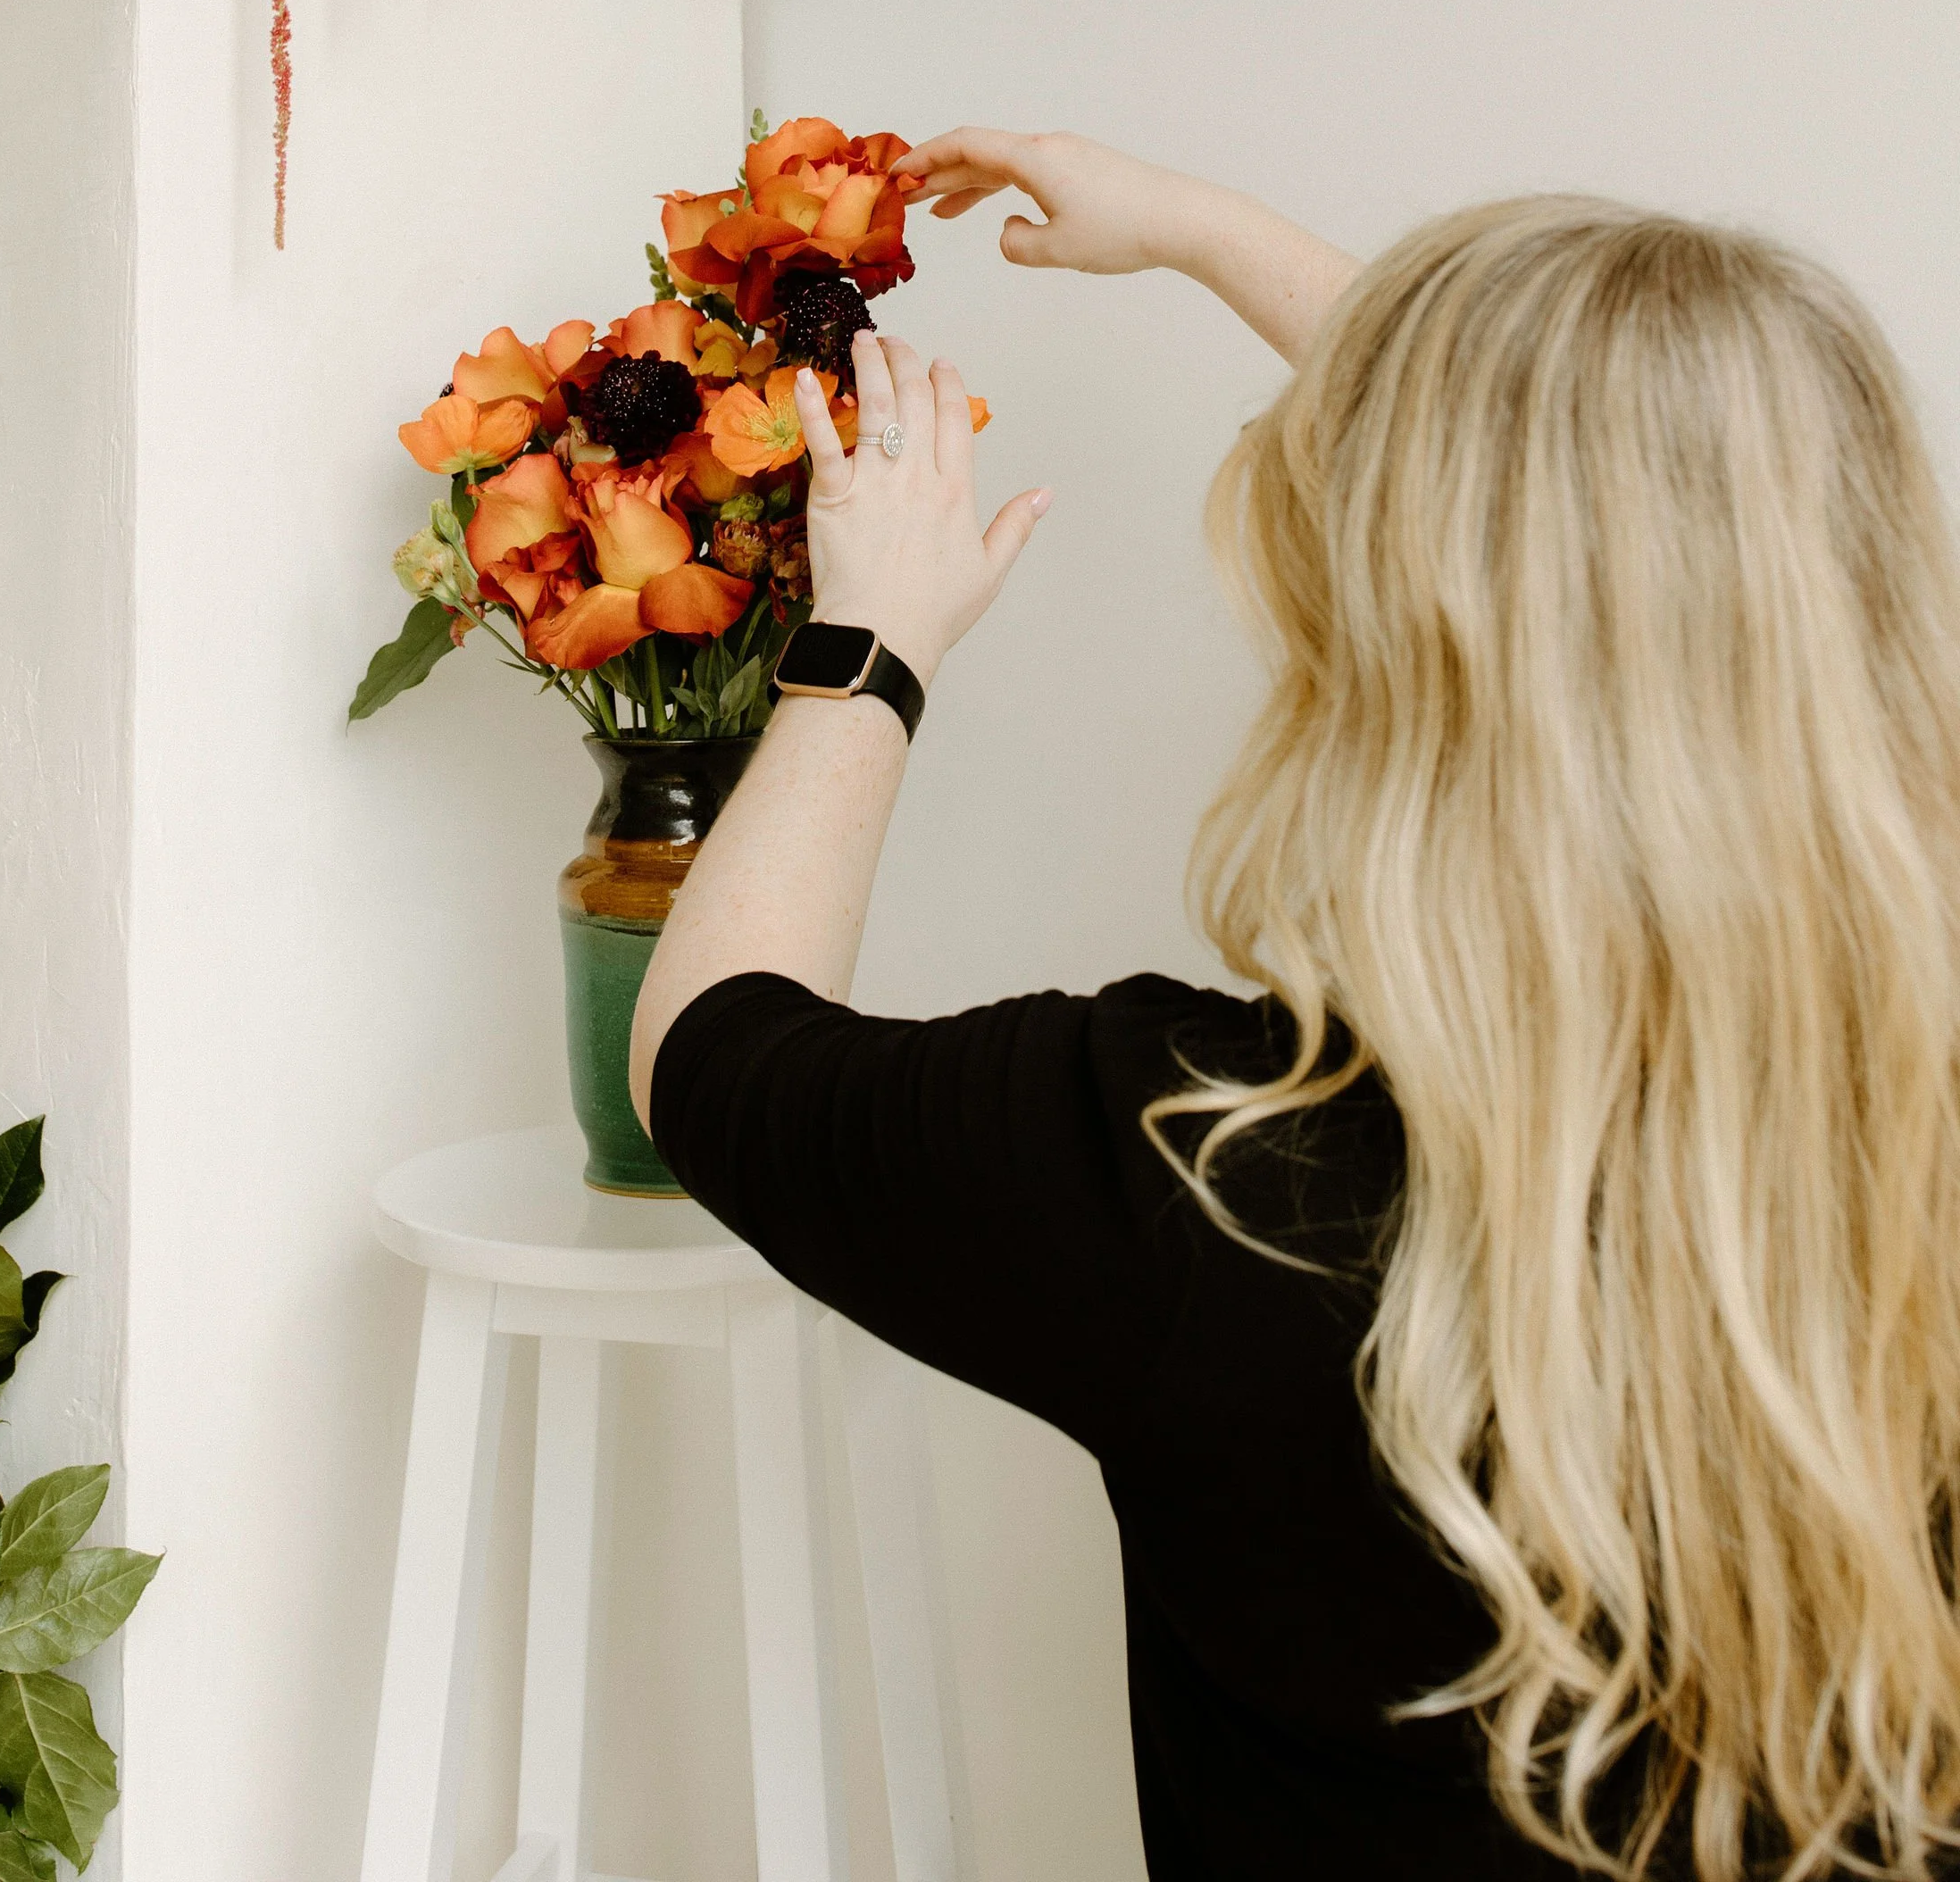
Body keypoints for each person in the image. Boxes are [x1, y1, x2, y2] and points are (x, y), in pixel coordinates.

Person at [630, 129, 1960, 1881]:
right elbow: (1610, 508)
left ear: (1396, 646)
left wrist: (869, 644)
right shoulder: (1909, 1146)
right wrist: (1197, 230)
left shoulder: (1200, 1156)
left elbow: (711, 1048)